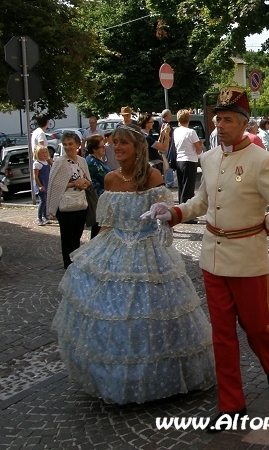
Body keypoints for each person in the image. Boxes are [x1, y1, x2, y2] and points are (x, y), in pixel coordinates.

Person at [147, 86, 269, 430]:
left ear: (243, 123)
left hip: (248, 261)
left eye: (228, 119)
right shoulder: (209, 158)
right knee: (222, 334)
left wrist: (264, 226)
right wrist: (173, 212)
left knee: (256, 326)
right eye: (218, 118)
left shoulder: (261, 161)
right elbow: (201, 203)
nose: (220, 124)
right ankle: (232, 406)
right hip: (212, 260)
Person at [51, 124, 215, 405]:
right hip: (115, 247)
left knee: (152, 316)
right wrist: (93, 255)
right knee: (112, 316)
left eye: (124, 143)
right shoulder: (111, 179)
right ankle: (112, 377)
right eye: (114, 143)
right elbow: (107, 223)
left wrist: (161, 227)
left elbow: (162, 220)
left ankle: (157, 378)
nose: (118, 148)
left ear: (137, 147)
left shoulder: (152, 176)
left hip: (147, 251)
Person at [47, 131, 92, 269]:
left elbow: (88, 180)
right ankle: (69, 264)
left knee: (77, 234)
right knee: (67, 236)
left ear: (77, 145)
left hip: (80, 202)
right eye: (65, 144)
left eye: (70, 144)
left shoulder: (82, 161)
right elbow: (54, 184)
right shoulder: (59, 162)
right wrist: (74, 183)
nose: (68, 147)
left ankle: (76, 258)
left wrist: (84, 182)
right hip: (66, 204)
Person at [173, 109, 202, 207]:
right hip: (189, 160)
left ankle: (181, 209)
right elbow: (198, 148)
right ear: (188, 119)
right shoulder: (191, 132)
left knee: (181, 188)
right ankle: (188, 213)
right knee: (188, 189)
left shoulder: (176, 131)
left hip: (179, 160)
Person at [85, 134, 111, 238]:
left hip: (102, 201)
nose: (104, 148)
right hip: (98, 201)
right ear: (94, 149)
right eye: (102, 146)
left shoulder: (97, 160)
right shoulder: (93, 163)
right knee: (98, 233)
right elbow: (105, 179)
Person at [32, 144, 53, 226]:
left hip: (46, 184)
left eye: (45, 153)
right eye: (42, 153)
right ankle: (39, 217)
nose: (44, 154)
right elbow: (35, 176)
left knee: (46, 201)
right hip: (41, 184)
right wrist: (40, 185)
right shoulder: (37, 164)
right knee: (43, 201)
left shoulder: (46, 162)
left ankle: (45, 216)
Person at [159, 109, 178, 189]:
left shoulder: (161, 123)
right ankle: (170, 182)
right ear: (167, 115)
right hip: (166, 147)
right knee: (168, 164)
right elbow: (168, 137)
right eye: (170, 114)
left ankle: (169, 181)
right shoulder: (165, 124)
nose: (171, 115)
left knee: (167, 164)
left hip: (166, 147)